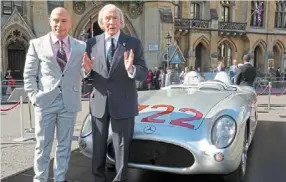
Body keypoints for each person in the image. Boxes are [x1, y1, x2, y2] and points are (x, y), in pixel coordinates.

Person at [82, 4, 148, 182]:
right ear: (102, 22)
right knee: (98, 148)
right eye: (107, 18)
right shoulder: (91, 43)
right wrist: (86, 71)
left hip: (124, 102)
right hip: (99, 103)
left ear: (121, 21)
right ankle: (98, 179)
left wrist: (131, 68)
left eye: (115, 18)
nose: (111, 22)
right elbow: (87, 76)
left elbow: (143, 72)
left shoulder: (133, 43)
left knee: (122, 147)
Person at [23, 7, 86, 182]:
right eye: (56, 20)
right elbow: (28, 75)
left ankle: (60, 178)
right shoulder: (37, 44)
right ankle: (40, 179)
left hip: (69, 103)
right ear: (50, 21)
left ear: (70, 22)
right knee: (43, 145)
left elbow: (83, 72)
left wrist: (87, 70)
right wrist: (34, 97)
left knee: (64, 146)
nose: (60, 25)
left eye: (64, 20)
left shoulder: (80, 46)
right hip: (45, 103)